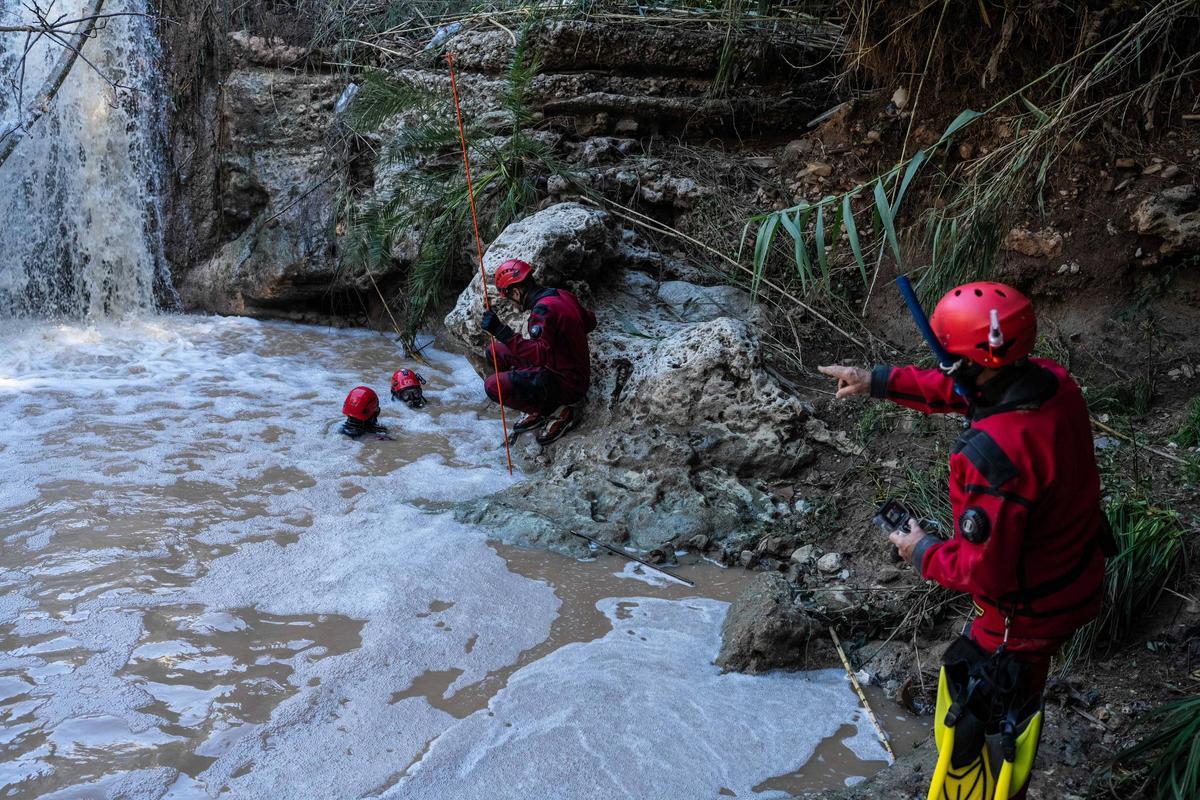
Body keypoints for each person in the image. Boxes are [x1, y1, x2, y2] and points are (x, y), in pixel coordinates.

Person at [819, 281, 1112, 800]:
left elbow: (984, 571)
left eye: (950, 358)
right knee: (1014, 693)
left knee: (983, 708)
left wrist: (922, 551)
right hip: (1078, 574)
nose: (945, 366)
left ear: (975, 364)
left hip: (1024, 615)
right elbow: (964, 389)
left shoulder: (990, 456)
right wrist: (876, 381)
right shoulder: (1052, 383)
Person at [479, 258, 596, 445]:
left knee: (493, 386)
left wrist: (501, 331)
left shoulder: (542, 311)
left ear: (516, 292)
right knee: (494, 351)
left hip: (567, 383)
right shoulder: (561, 295)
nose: (512, 305)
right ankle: (536, 398)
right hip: (567, 367)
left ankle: (550, 410)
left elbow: (540, 354)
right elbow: (590, 322)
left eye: (509, 299)